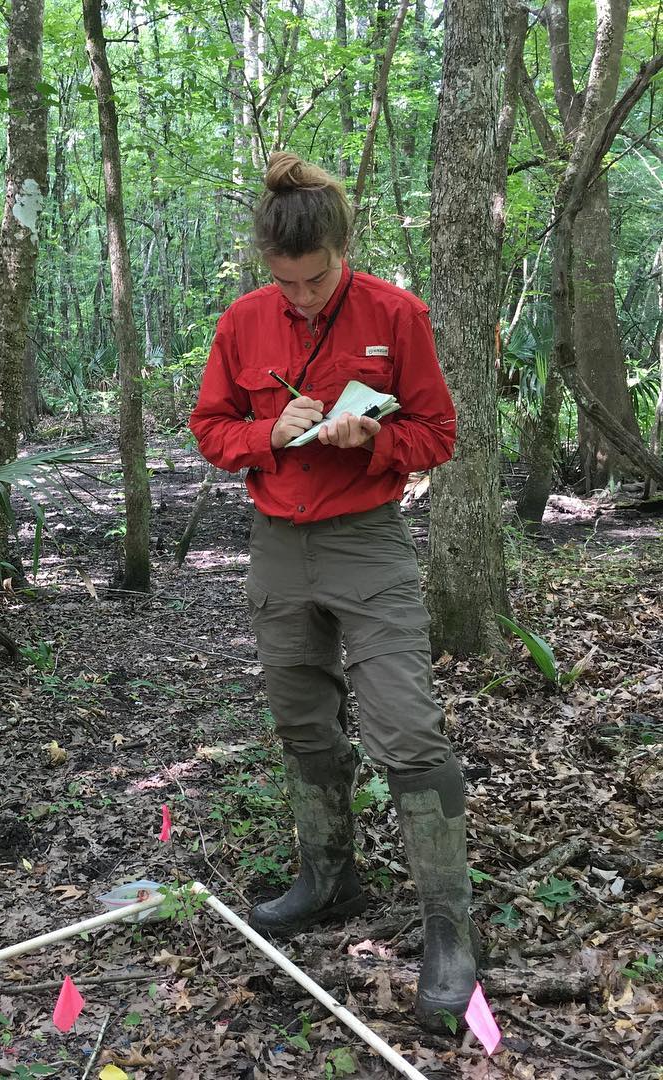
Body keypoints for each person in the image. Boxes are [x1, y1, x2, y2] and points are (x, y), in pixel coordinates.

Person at [189, 152, 476, 1032]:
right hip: (279, 544)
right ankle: (328, 876)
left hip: (366, 540)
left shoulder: (397, 312)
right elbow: (208, 426)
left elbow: (439, 431)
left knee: (407, 726)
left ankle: (450, 931)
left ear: (343, 251)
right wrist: (263, 432)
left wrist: (373, 442)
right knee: (302, 719)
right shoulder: (243, 322)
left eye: (315, 281)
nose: (303, 298)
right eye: (288, 284)